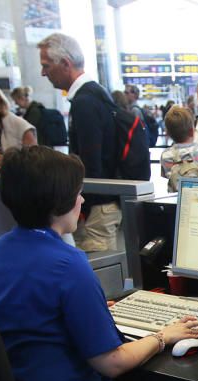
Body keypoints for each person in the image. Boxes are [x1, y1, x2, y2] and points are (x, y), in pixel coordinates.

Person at [0, 146, 198, 381]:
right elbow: (111, 363)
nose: (82, 200)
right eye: (78, 193)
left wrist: (91, 312)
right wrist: (164, 336)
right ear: (61, 202)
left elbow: (32, 318)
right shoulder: (67, 263)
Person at [39, 32, 121, 252]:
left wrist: (80, 207)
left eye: (47, 65)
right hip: (101, 204)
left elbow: (90, 161)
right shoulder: (95, 95)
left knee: (100, 273)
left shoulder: (85, 102)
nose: (43, 72)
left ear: (65, 63)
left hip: (97, 207)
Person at [159, 105, 198, 191]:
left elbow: (167, 178)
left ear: (168, 133)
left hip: (178, 203)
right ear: (192, 131)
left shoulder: (165, 155)